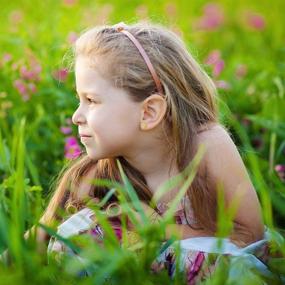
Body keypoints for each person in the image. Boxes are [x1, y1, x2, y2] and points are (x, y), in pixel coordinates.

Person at [36, 21, 271, 283]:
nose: (76, 116)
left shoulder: (207, 145)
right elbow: (37, 240)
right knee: (77, 231)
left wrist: (158, 229)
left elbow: (250, 236)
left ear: (149, 112)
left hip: (217, 268)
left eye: (91, 100)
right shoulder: (101, 172)